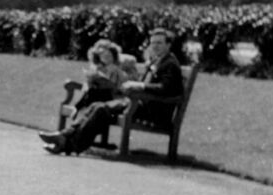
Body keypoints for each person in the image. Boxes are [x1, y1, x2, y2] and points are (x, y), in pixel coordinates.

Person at [38, 28, 184, 155]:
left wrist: (139, 86)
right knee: (97, 106)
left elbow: (166, 89)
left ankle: (68, 144)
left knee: (101, 109)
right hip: (139, 103)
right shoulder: (157, 60)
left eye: (159, 43)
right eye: (153, 43)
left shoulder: (170, 64)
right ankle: (64, 137)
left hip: (154, 110)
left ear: (168, 44)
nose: (155, 46)